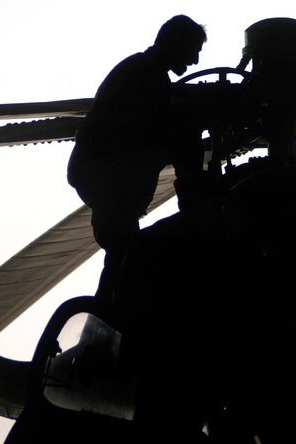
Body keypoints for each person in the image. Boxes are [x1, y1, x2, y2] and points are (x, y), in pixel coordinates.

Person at [67, 15, 209, 301]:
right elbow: (143, 133)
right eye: (192, 51)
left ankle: (106, 311)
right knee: (124, 254)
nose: (194, 62)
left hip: (100, 177)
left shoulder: (141, 70)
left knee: (122, 256)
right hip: (106, 178)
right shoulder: (148, 78)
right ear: (176, 44)